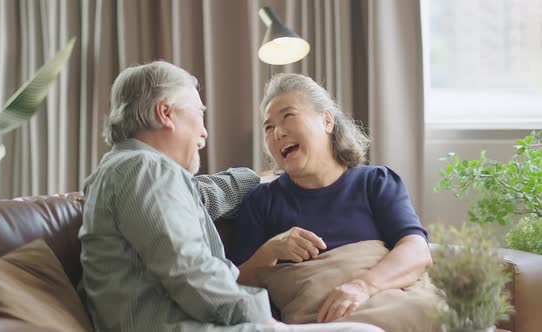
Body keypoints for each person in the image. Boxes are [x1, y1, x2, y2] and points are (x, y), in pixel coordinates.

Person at [79, 61, 384, 332]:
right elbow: (189, 271)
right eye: (199, 113)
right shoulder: (144, 170)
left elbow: (203, 195)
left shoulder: (128, 171)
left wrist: (259, 178)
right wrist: (262, 319)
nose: (205, 132)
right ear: (166, 113)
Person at [230, 73, 433, 324]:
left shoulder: (375, 182)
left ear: (327, 121)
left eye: (288, 116)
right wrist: (271, 249)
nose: (277, 133)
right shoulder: (262, 201)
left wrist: (361, 287)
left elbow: (417, 251)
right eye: (268, 127)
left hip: (396, 306)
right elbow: (232, 285)